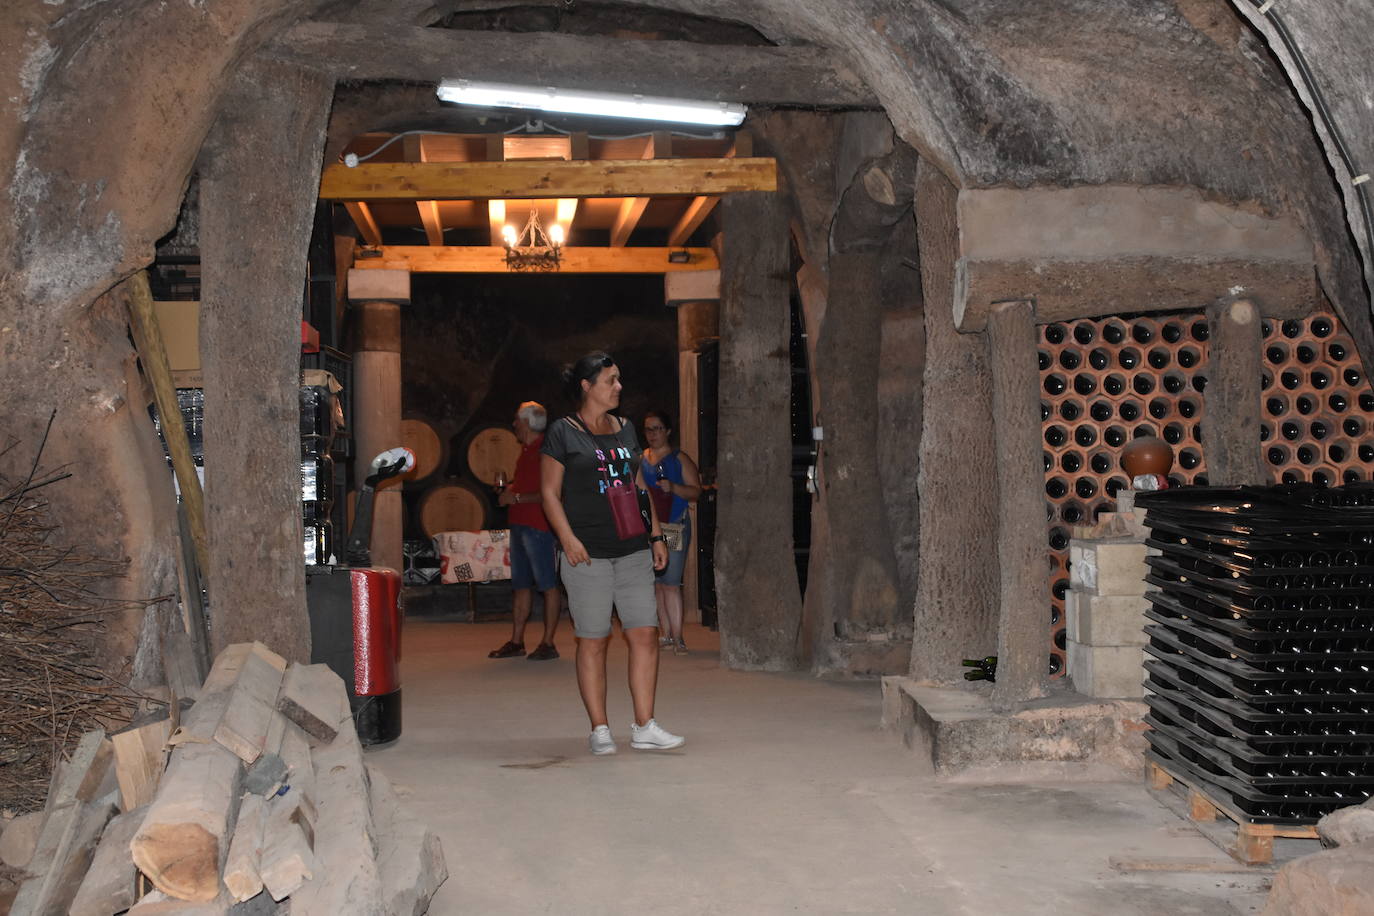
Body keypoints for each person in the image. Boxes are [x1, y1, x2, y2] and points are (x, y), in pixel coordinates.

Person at [540, 351, 685, 756]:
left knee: (645, 634)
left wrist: (655, 536)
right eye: (610, 380)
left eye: (619, 379)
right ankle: (599, 728)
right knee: (594, 639)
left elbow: (639, 485)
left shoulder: (626, 429)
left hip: (633, 549)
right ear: (587, 387)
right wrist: (567, 539)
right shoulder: (562, 432)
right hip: (587, 553)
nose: (619, 387)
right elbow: (550, 493)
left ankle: (644, 725)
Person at [487, 401, 563, 661]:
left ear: (527, 423)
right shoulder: (528, 450)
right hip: (520, 524)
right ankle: (517, 641)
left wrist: (515, 498)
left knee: (548, 585)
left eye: (517, 420)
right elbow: (526, 486)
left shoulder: (545, 450)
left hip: (539, 526)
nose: (514, 424)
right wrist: (509, 489)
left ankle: (548, 642)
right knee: (520, 585)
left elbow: (551, 493)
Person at [640, 409, 701, 655]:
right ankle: (664, 634)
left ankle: (678, 637)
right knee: (656, 583)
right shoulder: (640, 458)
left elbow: (696, 492)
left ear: (668, 431)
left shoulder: (679, 459)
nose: (652, 434)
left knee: (672, 583)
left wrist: (674, 487)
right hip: (649, 528)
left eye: (657, 428)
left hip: (675, 524)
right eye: (648, 429)